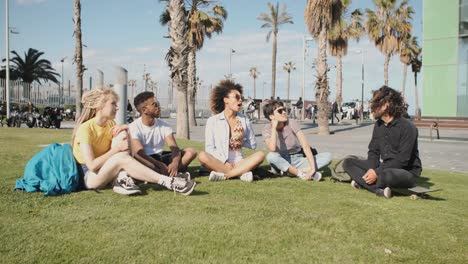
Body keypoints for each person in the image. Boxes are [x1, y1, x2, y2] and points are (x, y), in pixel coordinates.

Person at [71, 88, 196, 196]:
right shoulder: (85, 129)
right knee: (120, 156)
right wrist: (116, 149)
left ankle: (122, 179)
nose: (117, 107)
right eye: (113, 103)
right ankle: (168, 182)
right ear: (100, 105)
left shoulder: (111, 125)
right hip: (89, 176)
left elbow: (128, 156)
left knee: (122, 133)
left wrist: (127, 130)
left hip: (106, 169)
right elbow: (92, 165)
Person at [342, 86, 422, 198]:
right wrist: (371, 168)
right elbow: (373, 151)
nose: (371, 108)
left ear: (385, 105)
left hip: (404, 171)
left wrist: (377, 172)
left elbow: (402, 161)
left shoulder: (408, 127)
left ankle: (362, 182)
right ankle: (378, 189)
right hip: (384, 167)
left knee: (386, 175)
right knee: (348, 163)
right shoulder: (378, 125)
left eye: (375, 104)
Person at [198, 80, 265, 182]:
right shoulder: (213, 121)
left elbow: (253, 145)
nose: (240, 101)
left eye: (241, 98)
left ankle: (226, 175)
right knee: (202, 156)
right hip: (220, 161)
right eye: (237, 97)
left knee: (260, 155)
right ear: (226, 100)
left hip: (239, 161)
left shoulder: (244, 120)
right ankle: (240, 174)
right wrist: (224, 162)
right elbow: (209, 148)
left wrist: (241, 141)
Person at [129, 91, 197, 178]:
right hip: (146, 160)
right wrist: (159, 164)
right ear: (144, 110)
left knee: (191, 152)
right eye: (155, 104)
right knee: (137, 157)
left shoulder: (164, 125)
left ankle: (164, 174)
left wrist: (175, 163)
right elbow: (140, 153)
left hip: (160, 157)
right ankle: (167, 175)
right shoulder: (133, 127)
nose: (159, 107)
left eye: (158, 104)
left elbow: (174, 148)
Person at [262, 100, 332, 181]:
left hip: (297, 159)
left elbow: (305, 146)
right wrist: (274, 128)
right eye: (280, 111)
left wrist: (313, 169)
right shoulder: (266, 129)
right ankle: (300, 173)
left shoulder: (291, 123)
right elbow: (272, 149)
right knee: (271, 156)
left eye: (284, 109)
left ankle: (290, 171)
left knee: (328, 156)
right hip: (280, 159)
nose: (284, 112)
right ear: (271, 116)